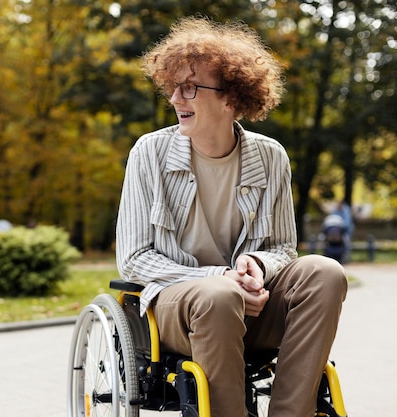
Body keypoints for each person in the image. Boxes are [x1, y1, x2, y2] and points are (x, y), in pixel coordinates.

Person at [115, 17, 348, 417]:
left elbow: (282, 247)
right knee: (220, 296)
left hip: (253, 305)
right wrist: (219, 278)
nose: (175, 98)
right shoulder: (149, 153)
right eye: (173, 87)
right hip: (176, 309)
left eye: (190, 88)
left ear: (232, 99)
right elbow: (134, 259)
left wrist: (256, 265)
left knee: (326, 273)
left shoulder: (270, 156)